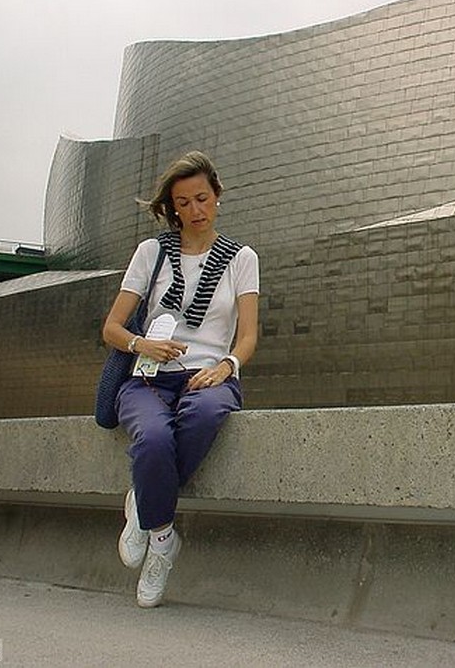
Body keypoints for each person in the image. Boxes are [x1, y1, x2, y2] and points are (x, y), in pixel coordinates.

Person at [102, 151, 259, 608]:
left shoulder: (241, 258)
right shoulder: (151, 253)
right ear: (172, 207)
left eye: (203, 198)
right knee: (151, 439)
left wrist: (225, 367)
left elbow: (248, 336)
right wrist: (141, 345)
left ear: (217, 196)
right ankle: (164, 539)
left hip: (210, 376)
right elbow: (111, 327)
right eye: (183, 202)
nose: (195, 210)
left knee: (206, 415)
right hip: (148, 377)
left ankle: (143, 497)